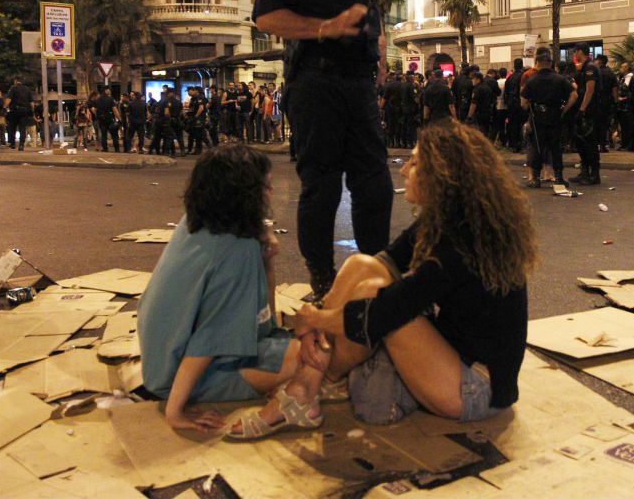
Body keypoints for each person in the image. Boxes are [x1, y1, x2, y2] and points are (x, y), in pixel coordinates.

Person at [227, 120, 537, 439]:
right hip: (450, 353)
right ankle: (308, 384)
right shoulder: (446, 221)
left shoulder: (461, 242)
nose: (403, 171)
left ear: (443, 175)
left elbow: (388, 311)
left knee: (376, 297)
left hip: (477, 387)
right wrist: (321, 317)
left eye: (415, 163)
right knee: (362, 266)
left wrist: (317, 318)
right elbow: (381, 264)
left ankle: (306, 386)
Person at [252, 0, 393, 298]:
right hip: (316, 84)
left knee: (375, 183)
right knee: (323, 185)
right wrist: (324, 28)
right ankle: (322, 277)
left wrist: (382, 49)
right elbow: (266, 16)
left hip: (359, 83)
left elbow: (371, 10)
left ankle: (375, 271)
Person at [137, 144, 299, 433]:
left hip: (160, 360)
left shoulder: (198, 222)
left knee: (296, 347)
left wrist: (267, 253)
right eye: (266, 187)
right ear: (246, 194)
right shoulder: (237, 250)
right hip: (182, 375)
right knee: (315, 356)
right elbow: (209, 339)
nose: (271, 194)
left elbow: (262, 319)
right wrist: (175, 412)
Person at [520, 50, 578, 187]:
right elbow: (574, 95)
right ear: (550, 63)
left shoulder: (532, 80)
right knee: (555, 147)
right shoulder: (560, 79)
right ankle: (558, 177)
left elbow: (523, 103)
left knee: (537, 147)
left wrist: (531, 108)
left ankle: (535, 179)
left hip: (538, 118)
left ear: (538, 63)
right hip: (555, 116)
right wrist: (564, 109)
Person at [570, 45, 602, 185]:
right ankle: (584, 172)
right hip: (584, 110)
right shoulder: (585, 66)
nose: (574, 54)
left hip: (590, 111)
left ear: (580, 51)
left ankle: (594, 175)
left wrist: (582, 110)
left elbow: (590, 90)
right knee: (581, 142)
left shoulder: (590, 67)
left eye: (575, 51)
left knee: (590, 143)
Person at [594, 54, 618, 153]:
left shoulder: (595, 72)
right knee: (604, 124)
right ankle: (603, 145)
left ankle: (596, 145)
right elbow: (614, 89)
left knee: (596, 123)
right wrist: (616, 101)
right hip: (607, 101)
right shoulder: (611, 73)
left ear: (599, 61)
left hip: (596, 101)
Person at [5, 76, 34, 151]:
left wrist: (4, 106)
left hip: (15, 111)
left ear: (15, 81)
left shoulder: (13, 88)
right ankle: (21, 145)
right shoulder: (27, 89)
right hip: (24, 111)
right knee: (22, 128)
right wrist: (32, 111)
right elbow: (32, 102)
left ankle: (13, 144)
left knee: (12, 127)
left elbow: (9, 99)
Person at [95, 87, 121, 152]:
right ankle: (117, 149)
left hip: (101, 120)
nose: (110, 91)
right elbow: (115, 110)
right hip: (110, 119)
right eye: (108, 90)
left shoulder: (98, 100)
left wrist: (98, 117)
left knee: (104, 135)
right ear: (105, 91)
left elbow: (95, 110)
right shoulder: (110, 99)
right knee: (114, 135)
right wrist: (119, 119)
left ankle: (105, 149)